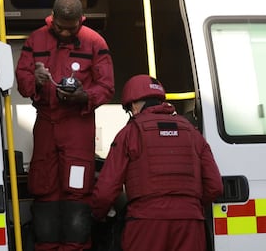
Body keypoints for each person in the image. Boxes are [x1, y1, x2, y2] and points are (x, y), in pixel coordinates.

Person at [15, 0, 115, 251]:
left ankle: (76, 247)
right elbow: (23, 82)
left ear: (81, 21)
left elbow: (107, 86)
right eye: (59, 27)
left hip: (78, 125)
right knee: (43, 187)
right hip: (46, 122)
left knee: (77, 190)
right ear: (53, 18)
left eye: (71, 29)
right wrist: (35, 80)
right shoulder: (36, 39)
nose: (65, 32)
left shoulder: (95, 42)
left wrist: (84, 96)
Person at [90, 75, 223, 251]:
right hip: (190, 224)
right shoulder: (192, 132)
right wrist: (187, 207)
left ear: (135, 105)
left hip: (145, 224)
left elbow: (106, 191)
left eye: (130, 109)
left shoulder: (130, 133)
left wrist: (96, 215)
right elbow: (215, 186)